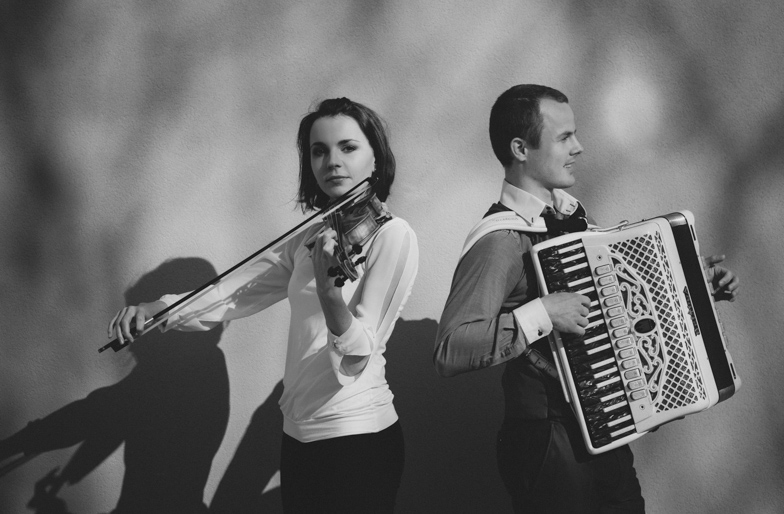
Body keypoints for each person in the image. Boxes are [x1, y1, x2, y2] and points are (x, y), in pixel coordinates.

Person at [433, 84, 739, 513]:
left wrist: (695, 287)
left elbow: (618, 304)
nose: (578, 147)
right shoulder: (500, 239)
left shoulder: (572, 216)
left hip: (603, 424)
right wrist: (543, 312)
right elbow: (450, 348)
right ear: (521, 148)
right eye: (564, 138)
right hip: (547, 439)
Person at [109, 97, 419, 514]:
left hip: (357, 436)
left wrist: (330, 295)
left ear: (375, 160)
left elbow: (360, 353)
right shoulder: (310, 239)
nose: (332, 161)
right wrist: (158, 309)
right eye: (319, 150)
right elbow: (232, 292)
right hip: (297, 435)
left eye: (348, 147)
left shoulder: (393, 237)